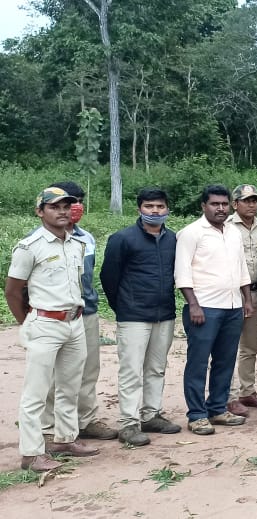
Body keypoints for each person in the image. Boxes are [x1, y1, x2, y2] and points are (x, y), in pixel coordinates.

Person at [5, 187, 99, 471]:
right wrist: (31, 323)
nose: (62, 211)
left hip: (74, 322)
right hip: (45, 322)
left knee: (70, 385)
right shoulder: (30, 246)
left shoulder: (75, 244)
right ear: (40, 211)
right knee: (36, 392)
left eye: (66, 206)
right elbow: (12, 291)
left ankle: (65, 439)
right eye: (54, 207)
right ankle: (31, 453)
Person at [101, 187, 183, 446]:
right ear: (139, 209)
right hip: (133, 315)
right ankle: (128, 423)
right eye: (149, 207)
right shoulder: (122, 239)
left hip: (165, 314)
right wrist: (123, 306)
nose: (155, 211)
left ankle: (151, 414)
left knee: (156, 368)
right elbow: (108, 278)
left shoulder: (172, 240)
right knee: (131, 371)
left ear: (167, 209)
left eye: (160, 207)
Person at [41, 181, 117, 442]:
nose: (73, 207)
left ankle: (86, 420)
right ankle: (50, 428)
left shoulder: (87, 238)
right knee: (54, 373)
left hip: (87, 312)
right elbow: (20, 286)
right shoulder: (38, 241)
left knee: (88, 369)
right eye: (64, 203)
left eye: (76, 201)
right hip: (53, 315)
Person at [175, 185, 253, 435]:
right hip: (204, 308)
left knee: (225, 360)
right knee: (198, 362)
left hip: (232, 306)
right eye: (214, 204)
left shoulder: (233, 232)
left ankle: (218, 408)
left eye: (224, 204)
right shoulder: (191, 233)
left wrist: (247, 299)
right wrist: (193, 304)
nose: (220, 208)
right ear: (203, 206)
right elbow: (182, 272)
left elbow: (242, 268)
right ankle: (197, 415)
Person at [226, 184, 257, 417]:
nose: (252, 204)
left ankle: (247, 391)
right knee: (227, 347)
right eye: (247, 200)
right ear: (235, 204)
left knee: (250, 347)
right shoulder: (226, 226)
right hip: (231, 293)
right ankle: (228, 396)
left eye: (255, 200)